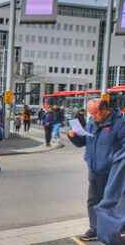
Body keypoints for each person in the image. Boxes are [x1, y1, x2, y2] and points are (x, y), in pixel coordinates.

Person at [67, 99, 124, 241]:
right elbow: (84, 142)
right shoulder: (92, 123)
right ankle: (95, 229)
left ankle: (112, 231)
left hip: (111, 171)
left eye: (95, 113)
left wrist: (113, 160)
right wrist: (73, 136)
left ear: (105, 110)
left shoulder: (120, 123)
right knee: (93, 200)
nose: (92, 117)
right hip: (94, 169)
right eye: (91, 114)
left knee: (110, 202)